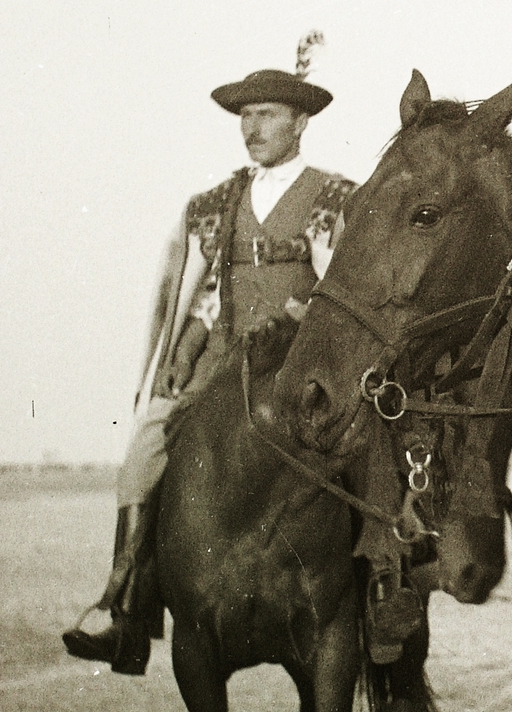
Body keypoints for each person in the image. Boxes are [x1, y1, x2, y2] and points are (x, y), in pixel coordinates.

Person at [63, 42, 422, 674]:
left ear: (300, 122)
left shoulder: (334, 197)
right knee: (146, 447)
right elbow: (206, 295)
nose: (251, 128)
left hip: (306, 363)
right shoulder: (217, 203)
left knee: (371, 449)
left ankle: (383, 592)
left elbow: (346, 289)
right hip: (227, 363)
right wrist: (189, 346)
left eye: (267, 115)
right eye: (244, 115)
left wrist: (300, 315)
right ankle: (126, 605)